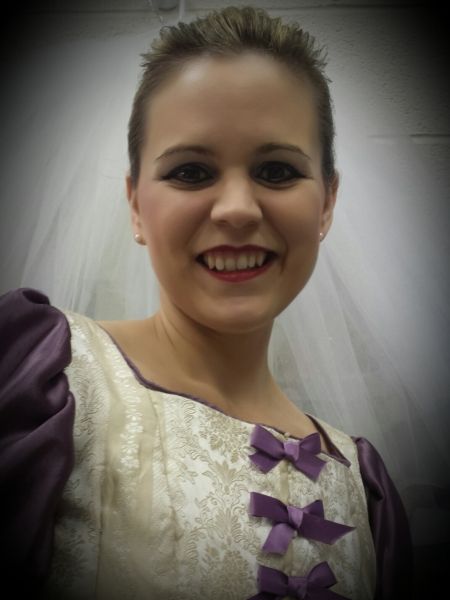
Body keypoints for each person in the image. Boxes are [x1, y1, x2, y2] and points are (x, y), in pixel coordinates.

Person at [0, 6, 412, 599]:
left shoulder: (365, 490)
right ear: (135, 205)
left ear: (326, 203)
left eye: (277, 170)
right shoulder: (44, 378)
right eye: (191, 172)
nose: (237, 209)